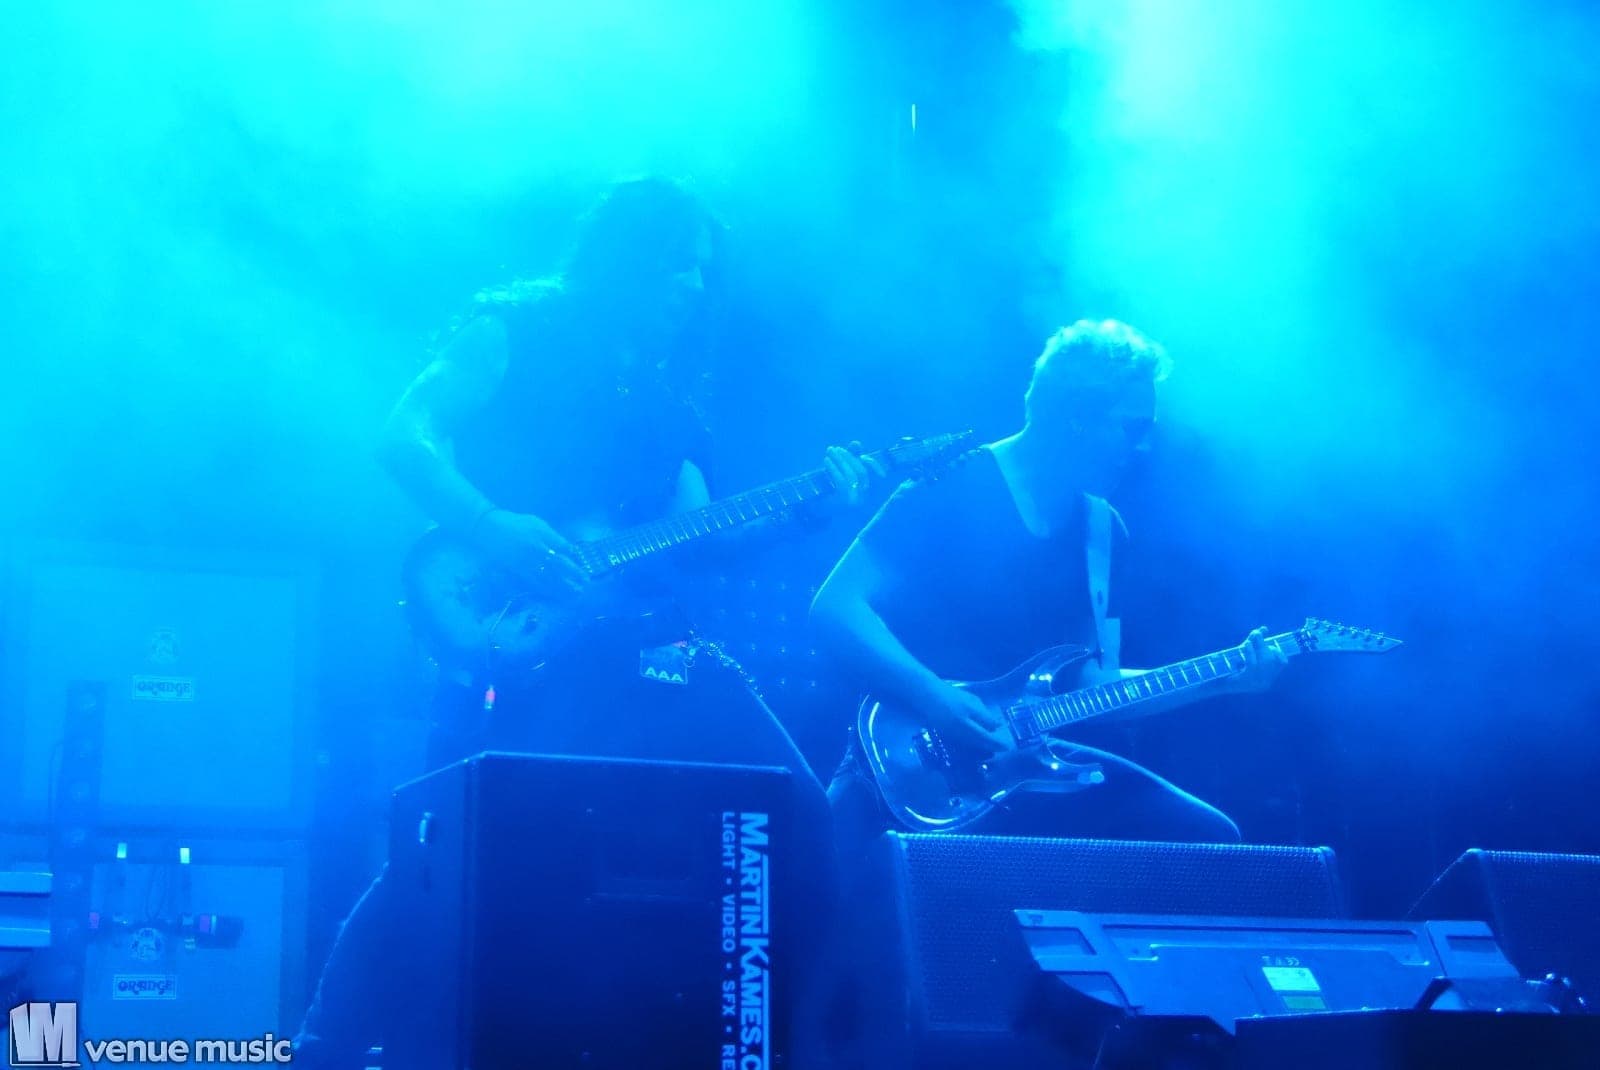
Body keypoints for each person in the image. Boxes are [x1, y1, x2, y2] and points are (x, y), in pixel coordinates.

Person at [293, 177, 874, 1068]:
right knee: (440, 855)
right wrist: (490, 524)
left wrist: (809, 511)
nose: (693, 288)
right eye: (677, 265)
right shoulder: (513, 330)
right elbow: (403, 436)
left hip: (644, 656)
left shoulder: (671, 402)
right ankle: (323, 1048)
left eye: (704, 272)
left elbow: (701, 537)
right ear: (627, 258)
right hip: (520, 643)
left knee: (801, 818)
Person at [811, 318, 1288, 870]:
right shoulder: (949, 486)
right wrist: (935, 697)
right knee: (814, 887)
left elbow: (1095, 680)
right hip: (908, 762)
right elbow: (835, 606)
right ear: (1075, 418)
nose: (1143, 447)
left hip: (1022, 766)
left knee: (1208, 838)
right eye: (1131, 428)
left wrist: (1222, 679)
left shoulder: (1104, 531)